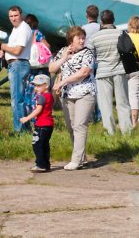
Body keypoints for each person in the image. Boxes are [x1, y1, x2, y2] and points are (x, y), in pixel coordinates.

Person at [49, 26, 96, 170]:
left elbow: (84, 72)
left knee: (79, 126)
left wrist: (63, 81)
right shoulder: (64, 51)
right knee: (71, 128)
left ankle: (76, 160)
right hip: (68, 95)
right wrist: (64, 57)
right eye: (79, 38)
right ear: (71, 40)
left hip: (85, 93)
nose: (82, 41)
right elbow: (51, 69)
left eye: (83, 38)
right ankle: (82, 157)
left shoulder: (88, 53)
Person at [91, 10, 132, 134]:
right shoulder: (121, 33)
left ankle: (109, 131)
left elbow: (91, 55)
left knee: (105, 103)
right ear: (113, 20)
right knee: (123, 102)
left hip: (103, 72)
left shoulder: (94, 37)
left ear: (101, 21)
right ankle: (127, 131)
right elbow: (128, 51)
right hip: (120, 70)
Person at [0, 5, 33, 134]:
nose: (13, 18)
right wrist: (4, 51)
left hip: (19, 65)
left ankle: (19, 130)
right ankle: (25, 128)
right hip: (15, 64)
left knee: (16, 100)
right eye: (11, 16)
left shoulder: (23, 28)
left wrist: (3, 46)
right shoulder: (16, 28)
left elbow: (18, 50)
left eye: (15, 15)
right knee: (19, 99)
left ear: (21, 15)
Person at [19, 74, 54, 172]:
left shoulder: (41, 97)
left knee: (37, 144)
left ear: (46, 85)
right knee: (44, 145)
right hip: (49, 125)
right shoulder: (49, 96)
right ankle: (46, 164)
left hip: (42, 125)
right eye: (35, 85)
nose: (35, 88)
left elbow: (38, 110)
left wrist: (27, 118)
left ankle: (40, 164)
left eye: (38, 85)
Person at [24, 14, 51, 115]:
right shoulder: (37, 33)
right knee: (39, 91)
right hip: (39, 68)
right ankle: (38, 113)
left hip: (28, 67)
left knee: (29, 91)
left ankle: (28, 113)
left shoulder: (23, 34)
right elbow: (47, 45)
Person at [127, 16, 139, 128]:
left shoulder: (124, 36)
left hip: (123, 68)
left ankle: (124, 121)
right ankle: (134, 122)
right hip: (136, 68)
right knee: (134, 96)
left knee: (123, 96)